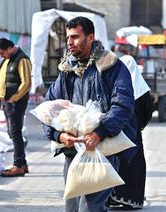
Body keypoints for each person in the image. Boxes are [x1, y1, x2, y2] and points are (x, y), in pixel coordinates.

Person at [42, 17, 137, 211]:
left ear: (91, 37)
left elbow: (122, 105)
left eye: (75, 37)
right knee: (72, 206)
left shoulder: (111, 66)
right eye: (68, 37)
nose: (70, 42)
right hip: (72, 151)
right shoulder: (66, 70)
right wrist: (58, 135)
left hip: (103, 149)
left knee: (90, 207)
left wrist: (99, 133)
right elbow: (48, 109)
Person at [108, 55, 154, 209]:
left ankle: (114, 197)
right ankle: (133, 199)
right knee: (134, 165)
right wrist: (140, 125)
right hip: (134, 134)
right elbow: (148, 110)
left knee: (117, 163)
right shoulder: (141, 88)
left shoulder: (116, 84)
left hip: (116, 133)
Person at [0, 38, 31, 177]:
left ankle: (18, 165)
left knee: (15, 132)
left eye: (3, 52)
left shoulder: (22, 59)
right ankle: (23, 163)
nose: (1, 56)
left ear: (10, 48)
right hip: (7, 101)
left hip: (16, 102)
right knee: (12, 132)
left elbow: (26, 82)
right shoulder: (7, 60)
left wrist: (14, 97)